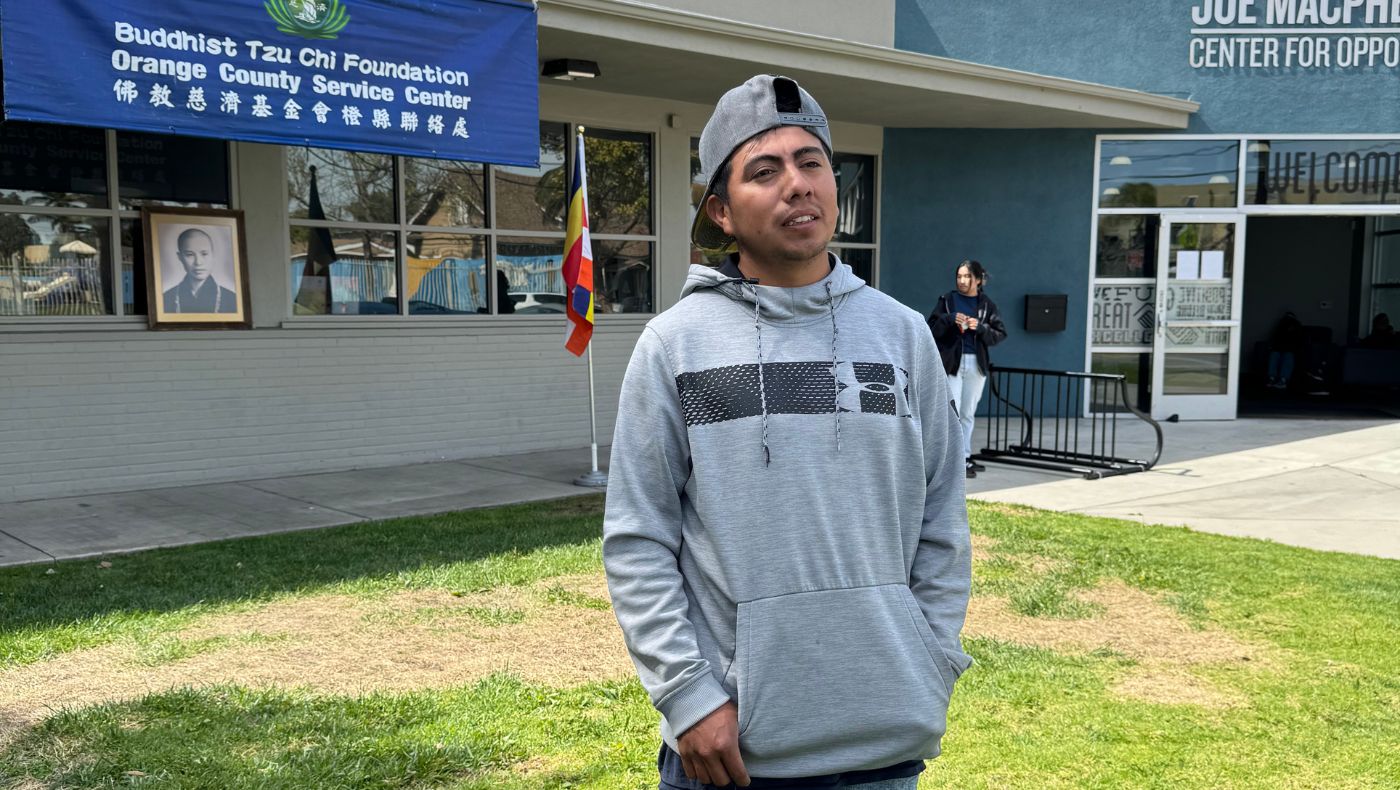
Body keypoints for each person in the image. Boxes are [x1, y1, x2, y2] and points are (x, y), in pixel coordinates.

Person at [603, 75, 972, 790]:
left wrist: (931, 655)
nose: (797, 186)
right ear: (721, 211)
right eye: (763, 172)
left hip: (883, 740)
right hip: (733, 749)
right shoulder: (674, 346)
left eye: (812, 163)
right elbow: (638, 537)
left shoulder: (901, 337)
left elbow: (941, 518)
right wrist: (687, 696)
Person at [927, 261, 1007, 478]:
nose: (962, 281)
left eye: (967, 276)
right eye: (959, 276)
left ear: (978, 279)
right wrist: (950, 318)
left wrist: (979, 328)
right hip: (953, 363)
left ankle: (964, 457)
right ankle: (949, 460)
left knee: (967, 413)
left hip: (976, 363)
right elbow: (931, 328)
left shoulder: (986, 305)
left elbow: (999, 334)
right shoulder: (947, 301)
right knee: (951, 411)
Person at [162, 228, 237, 314]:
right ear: (180, 257)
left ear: (213, 254)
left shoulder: (232, 299)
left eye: (204, 254)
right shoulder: (165, 299)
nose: (198, 262)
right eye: (190, 255)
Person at [1266, 310, 1304, 389]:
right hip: (1278, 348)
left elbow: (1299, 341)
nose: (1288, 319)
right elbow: (1275, 339)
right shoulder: (1280, 327)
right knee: (1274, 355)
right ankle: (1272, 378)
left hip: (1291, 350)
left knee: (1288, 356)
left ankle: (1283, 380)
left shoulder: (1297, 327)